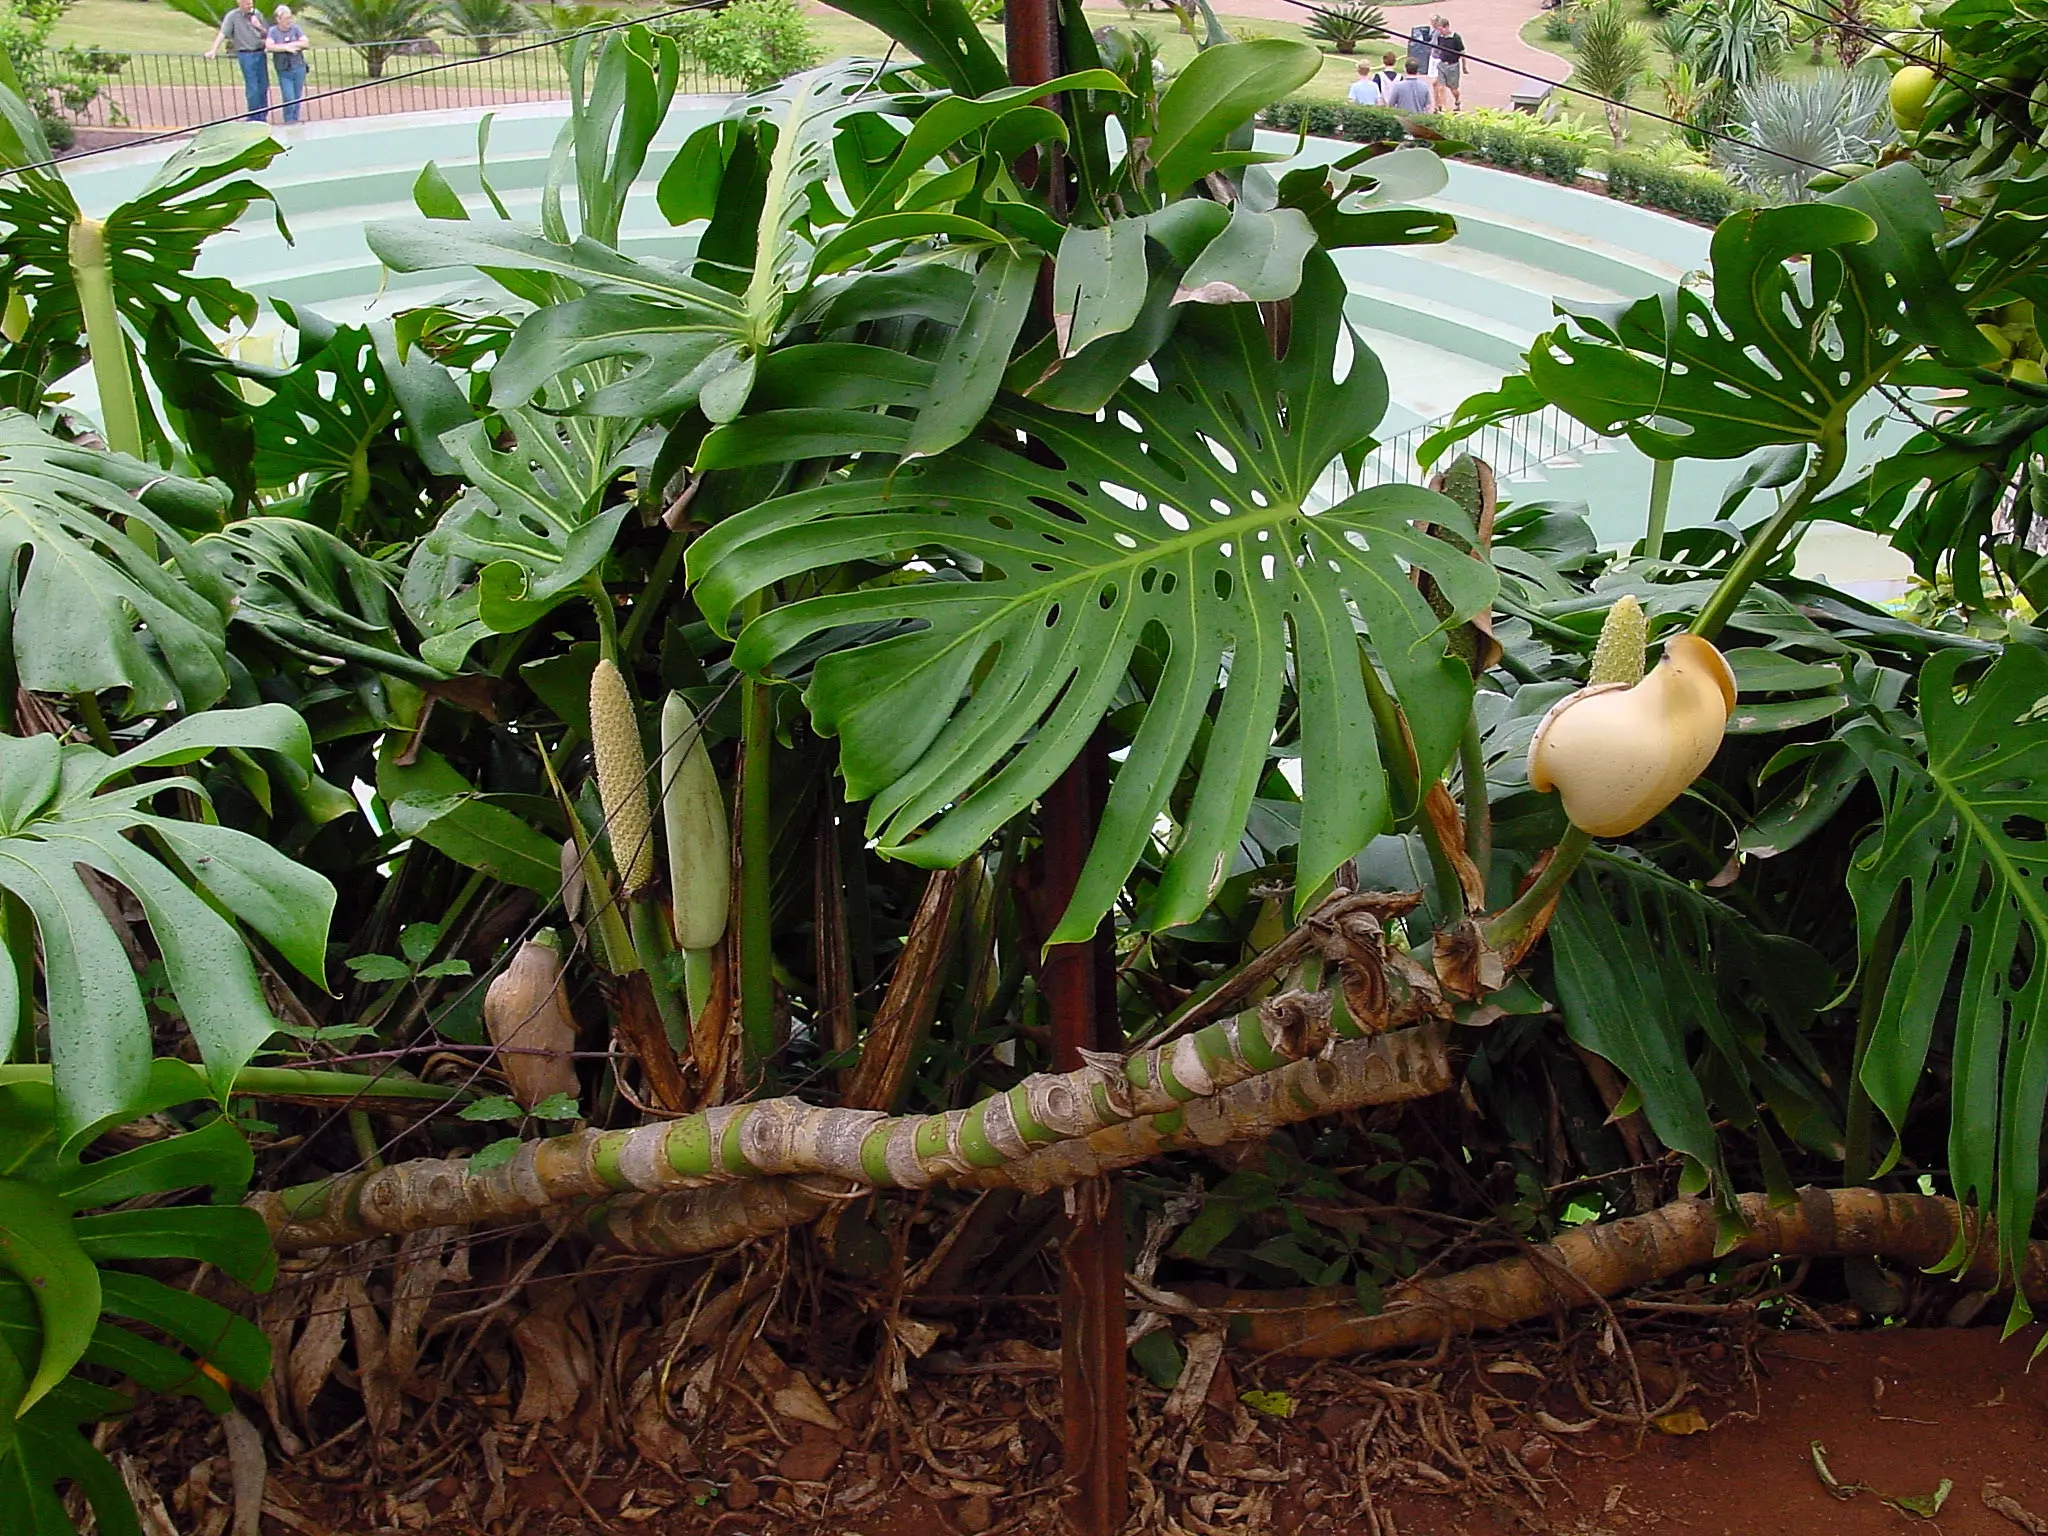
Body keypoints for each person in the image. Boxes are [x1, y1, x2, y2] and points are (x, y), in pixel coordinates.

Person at [204, 0, 270, 123]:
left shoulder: (257, 14)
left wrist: (259, 26)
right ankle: (254, 117)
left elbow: (267, 33)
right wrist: (213, 50)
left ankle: (263, 115)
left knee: (263, 85)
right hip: (245, 54)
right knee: (252, 87)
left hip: (260, 53)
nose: (249, 5)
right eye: (246, 2)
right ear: (239, 3)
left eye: (250, 2)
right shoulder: (233, 16)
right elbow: (223, 33)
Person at [267, 6, 308, 124]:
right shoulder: (273, 31)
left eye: (290, 18)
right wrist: (285, 48)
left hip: (298, 67)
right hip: (283, 69)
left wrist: (292, 44)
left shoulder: (296, 29)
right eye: (286, 18)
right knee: (288, 96)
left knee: (297, 96)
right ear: (278, 19)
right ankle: (288, 120)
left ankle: (295, 119)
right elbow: (269, 46)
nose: (289, 21)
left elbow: (305, 42)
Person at [1431, 15, 1465, 111]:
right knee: (1440, 87)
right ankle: (1442, 108)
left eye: (1441, 29)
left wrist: (1464, 66)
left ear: (1446, 27)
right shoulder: (1440, 37)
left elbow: (1462, 52)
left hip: (1453, 65)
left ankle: (1457, 101)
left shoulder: (1456, 37)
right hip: (1442, 65)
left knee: (1453, 89)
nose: (1440, 32)